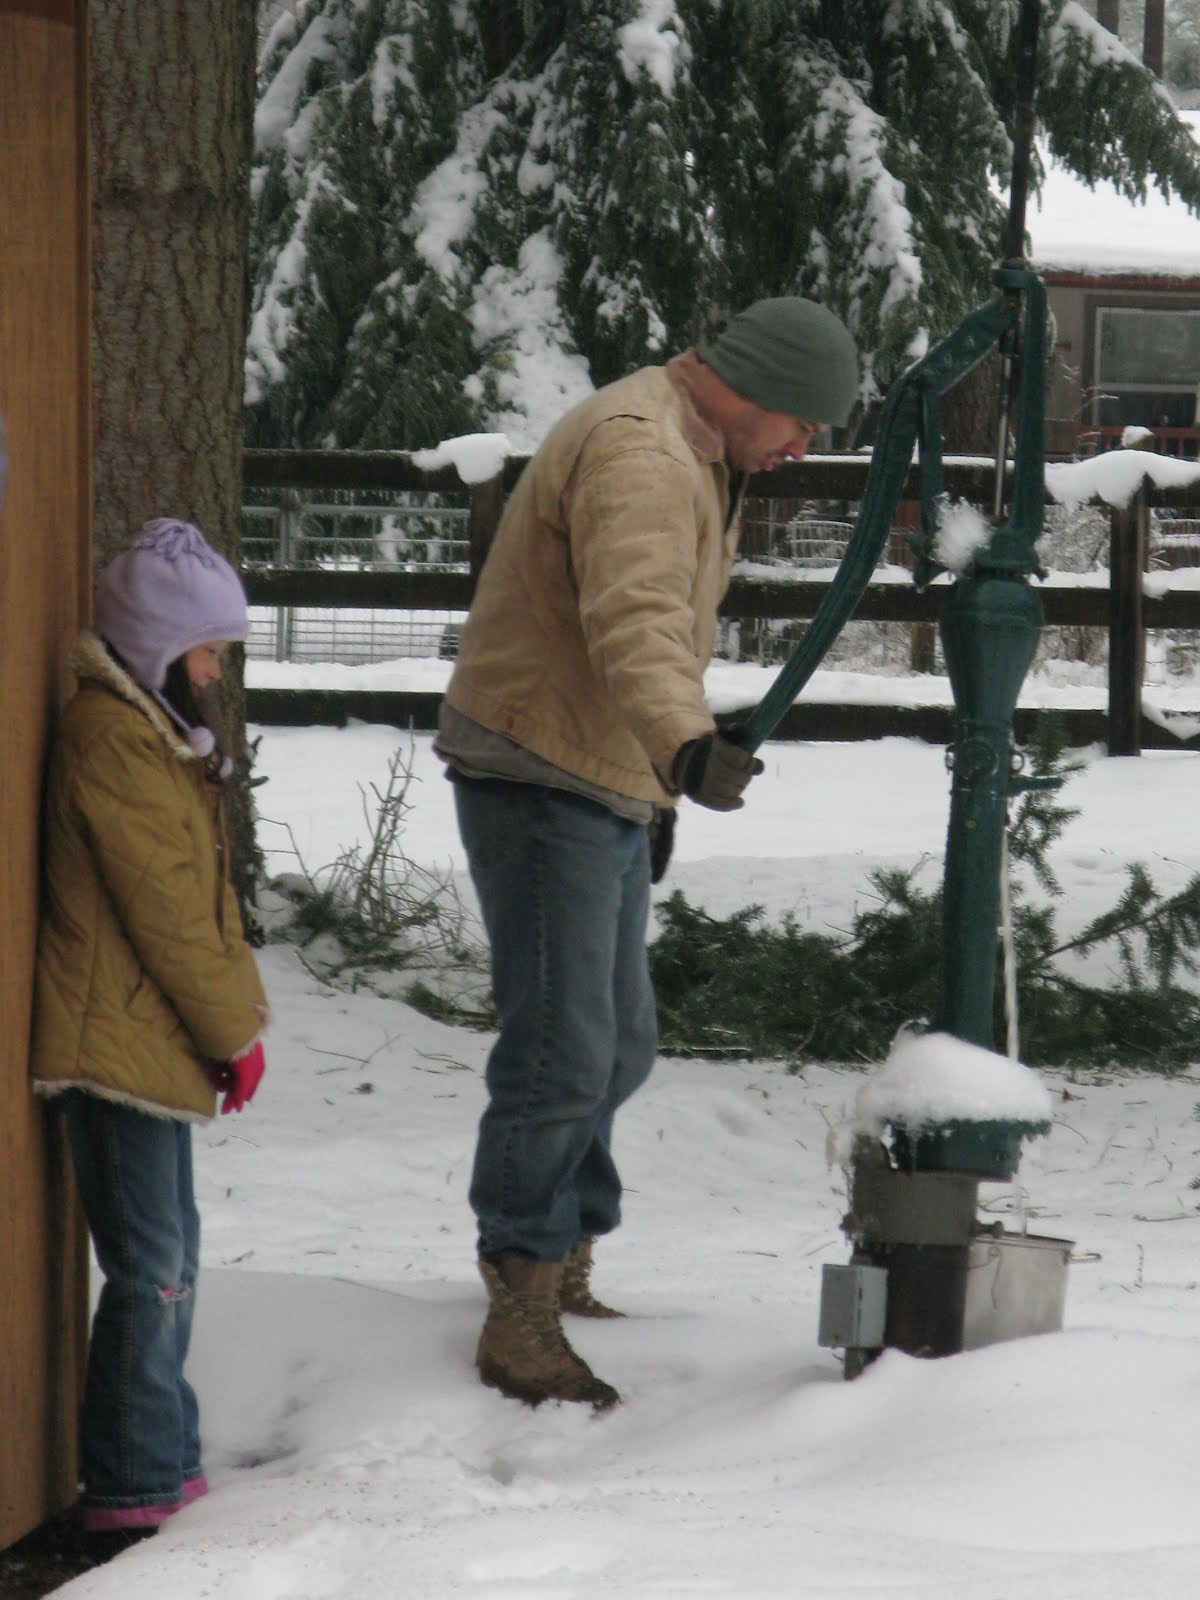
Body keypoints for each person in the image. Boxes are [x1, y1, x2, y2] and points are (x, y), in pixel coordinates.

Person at [435, 296, 859, 1408]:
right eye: (802, 422)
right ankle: (520, 1297)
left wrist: (653, 771)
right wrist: (682, 744)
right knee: (563, 1049)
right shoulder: (644, 455)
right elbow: (635, 619)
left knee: (618, 1044)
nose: (804, 445)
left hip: (599, 769)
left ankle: (564, 1252)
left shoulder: (696, 445)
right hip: (542, 769)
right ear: (756, 388)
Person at [31, 518, 268, 1558]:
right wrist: (232, 1029)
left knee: (175, 1257)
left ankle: (166, 1461)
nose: (214, 671)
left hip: (147, 1041)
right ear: (158, 645)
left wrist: (234, 1024)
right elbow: (165, 909)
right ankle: (132, 1487)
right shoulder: (111, 740)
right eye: (206, 649)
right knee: (153, 1267)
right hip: (113, 1049)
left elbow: (200, 904)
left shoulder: (154, 739)